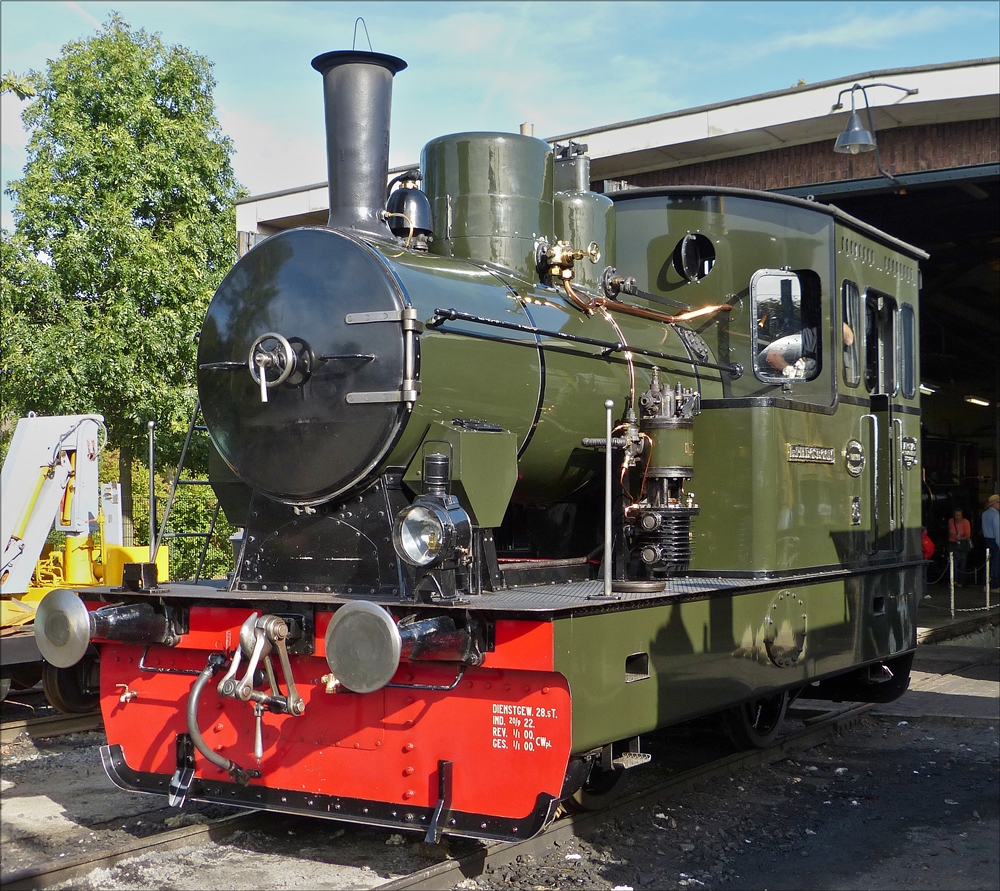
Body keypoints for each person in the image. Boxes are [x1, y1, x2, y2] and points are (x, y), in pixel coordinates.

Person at [947, 508, 972, 586]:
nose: (957, 517)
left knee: (962, 563)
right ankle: (954, 580)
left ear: (962, 515)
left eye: (959, 515)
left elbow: (968, 534)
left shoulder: (966, 522)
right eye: (956, 515)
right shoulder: (951, 521)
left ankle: (961, 581)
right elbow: (949, 531)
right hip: (952, 543)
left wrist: (960, 538)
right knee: (953, 563)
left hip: (962, 544)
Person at [982, 494, 1000, 593]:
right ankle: (994, 585)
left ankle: (986, 584)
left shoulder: (984, 514)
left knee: (987, 563)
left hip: (987, 540)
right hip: (994, 541)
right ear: (994, 504)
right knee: (995, 564)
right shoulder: (996, 515)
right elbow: (997, 531)